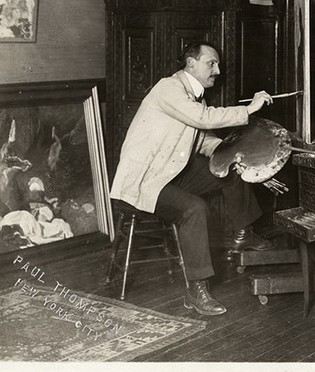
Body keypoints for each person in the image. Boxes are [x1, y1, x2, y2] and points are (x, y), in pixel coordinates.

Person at [110, 42, 281, 316]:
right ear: (191, 63)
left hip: (171, 174)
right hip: (145, 182)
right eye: (210, 63)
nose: (218, 69)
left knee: (230, 165)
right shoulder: (169, 88)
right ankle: (196, 289)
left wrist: (243, 157)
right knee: (194, 208)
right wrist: (250, 109)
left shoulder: (193, 97)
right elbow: (202, 119)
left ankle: (243, 232)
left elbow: (202, 140)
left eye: (217, 64)